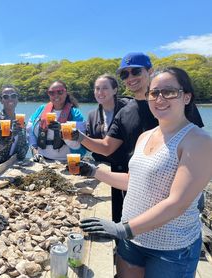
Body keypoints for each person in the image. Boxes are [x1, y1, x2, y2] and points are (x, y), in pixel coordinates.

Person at [78, 67, 212, 278]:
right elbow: (135, 182)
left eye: (169, 92)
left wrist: (122, 229)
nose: (159, 98)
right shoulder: (145, 137)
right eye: (154, 93)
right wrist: (94, 171)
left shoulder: (199, 141)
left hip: (171, 248)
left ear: (186, 97)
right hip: (133, 241)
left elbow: (177, 203)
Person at [72, 53, 204, 223]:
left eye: (135, 71)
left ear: (150, 71)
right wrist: (79, 137)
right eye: (124, 74)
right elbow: (107, 147)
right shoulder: (125, 112)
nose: (130, 77)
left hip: (177, 202)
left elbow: (198, 148)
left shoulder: (176, 104)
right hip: (136, 190)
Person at [26, 80, 86, 162]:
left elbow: (80, 142)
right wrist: (35, 151)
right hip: (43, 160)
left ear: (66, 92)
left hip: (68, 161)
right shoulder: (41, 110)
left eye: (60, 92)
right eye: (51, 93)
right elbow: (30, 130)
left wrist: (63, 129)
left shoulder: (75, 114)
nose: (56, 95)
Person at [0, 85, 28, 169]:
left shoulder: (20, 120)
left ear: (17, 99)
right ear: (1, 100)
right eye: (6, 97)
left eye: (13, 96)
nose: (10, 99)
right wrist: (11, 135)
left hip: (13, 165)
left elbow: (24, 147)